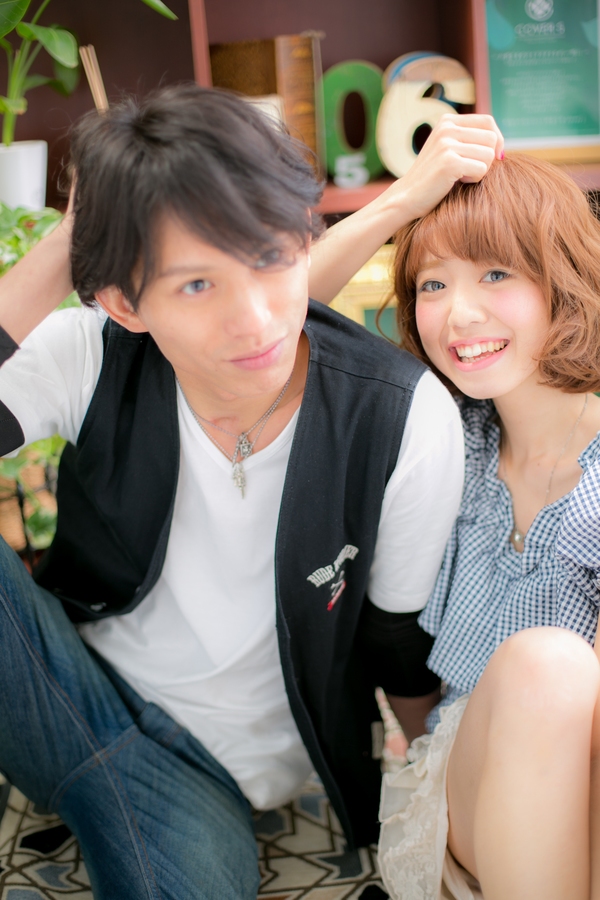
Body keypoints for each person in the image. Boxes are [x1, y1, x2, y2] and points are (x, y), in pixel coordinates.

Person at [0, 83, 502, 899]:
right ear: (125, 302)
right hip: (64, 695)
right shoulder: (89, 354)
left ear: (306, 241)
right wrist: (74, 234)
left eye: (272, 259)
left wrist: (432, 801)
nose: (257, 320)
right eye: (197, 285)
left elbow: (396, 639)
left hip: (208, 778)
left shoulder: (398, 415)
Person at [375, 155, 600, 900]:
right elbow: (274, 328)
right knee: (547, 666)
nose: (459, 314)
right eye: (432, 284)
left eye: (495, 273)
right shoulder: (441, 438)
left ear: (562, 281)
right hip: (468, 787)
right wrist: (402, 201)